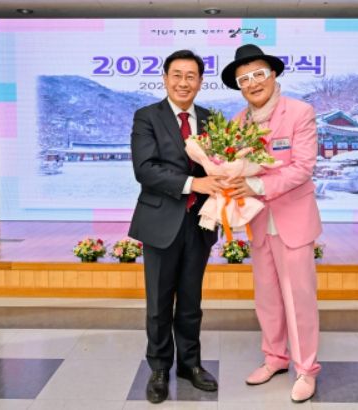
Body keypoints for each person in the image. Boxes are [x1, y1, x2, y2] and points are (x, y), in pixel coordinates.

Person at [221, 44, 322, 403]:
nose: (252, 83)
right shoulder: (237, 123)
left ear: (273, 74)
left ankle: (306, 369)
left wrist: (258, 185)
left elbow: (303, 167)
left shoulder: (299, 112)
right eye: (244, 79)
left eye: (258, 74)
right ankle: (275, 357)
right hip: (258, 222)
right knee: (266, 297)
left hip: (293, 221)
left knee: (299, 298)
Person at [129, 49, 224, 404]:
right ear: (165, 78)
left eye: (191, 76)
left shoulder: (212, 119)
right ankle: (158, 368)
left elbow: (222, 163)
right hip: (159, 222)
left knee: (190, 300)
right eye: (177, 75)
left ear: (200, 81)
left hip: (200, 223)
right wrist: (193, 183)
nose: (184, 82)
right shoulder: (147, 116)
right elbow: (145, 169)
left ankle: (190, 364)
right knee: (158, 303)